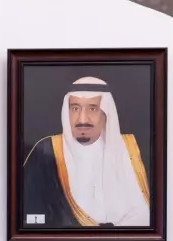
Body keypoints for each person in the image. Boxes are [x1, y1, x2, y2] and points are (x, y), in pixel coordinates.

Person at [22, 77, 151, 228]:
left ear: (106, 113)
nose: (82, 119)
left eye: (92, 109)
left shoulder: (134, 150)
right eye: (75, 109)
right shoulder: (45, 152)